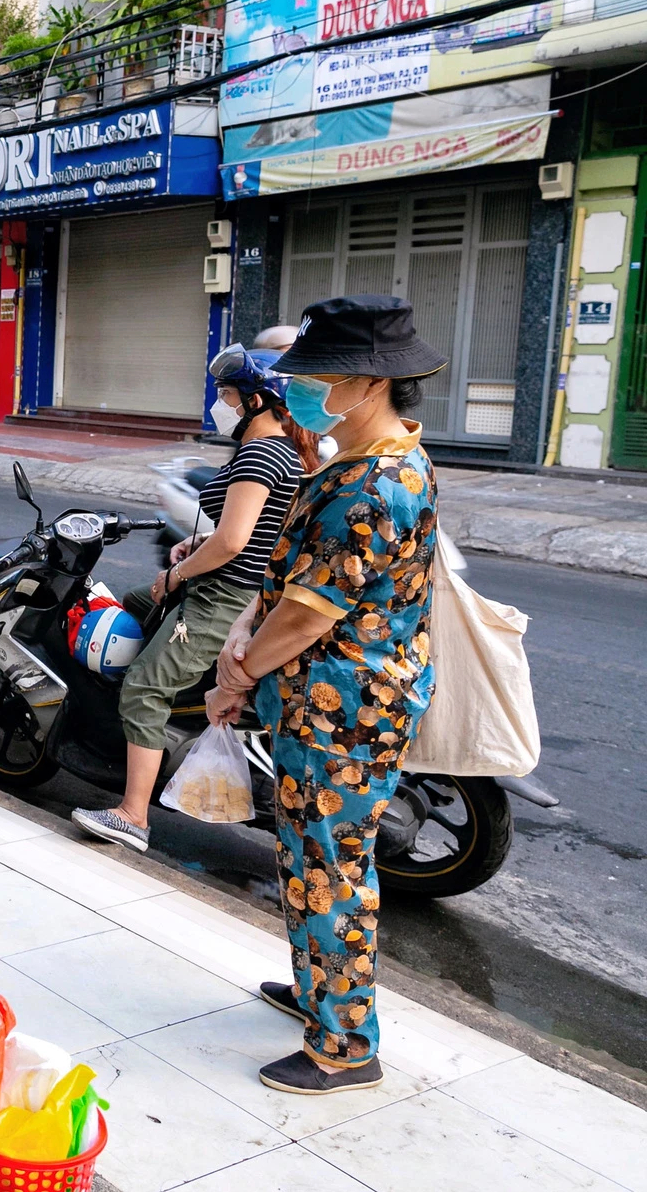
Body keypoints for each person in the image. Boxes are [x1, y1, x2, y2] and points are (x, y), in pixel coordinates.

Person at [208, 294, 446, 1096]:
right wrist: (247, 627)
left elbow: (311, 613)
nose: (305, 388)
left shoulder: (373, 484)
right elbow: (291, 578)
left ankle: (345, 1045)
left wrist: (238, 671)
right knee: (308, 858)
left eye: (318, 374)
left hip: (346, 709)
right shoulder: (358, 458)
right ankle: (318, 994)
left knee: (334, 868)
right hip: (326, 703)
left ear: (368, 382)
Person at [71, 345, 317, 853]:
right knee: (135, 605)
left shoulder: (260, 452)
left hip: (221, 598)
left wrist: (178, 573)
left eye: (227, 395)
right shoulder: (280, 449)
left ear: (255, 401)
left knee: (142, 687)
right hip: (230, 583)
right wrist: (196, 544)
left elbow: (233, 542)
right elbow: (252, 534)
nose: (219, 404)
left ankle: (132, 815)